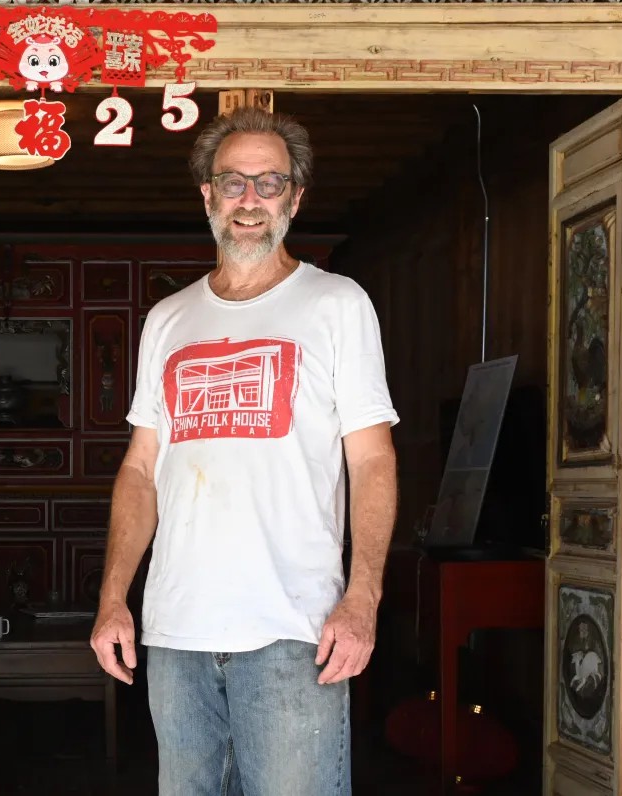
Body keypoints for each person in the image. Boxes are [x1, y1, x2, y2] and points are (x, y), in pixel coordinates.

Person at [89, 106, 399, 796]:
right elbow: (140, 469)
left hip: (293, 631)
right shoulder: (168, 320)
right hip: (176, 634)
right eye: (233, 183)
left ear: (295, 198)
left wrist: (363, 598)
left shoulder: (337, 304)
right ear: (208, 195)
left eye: (269, 183)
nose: (250, 201)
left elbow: (372, 460)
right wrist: (114, 598)